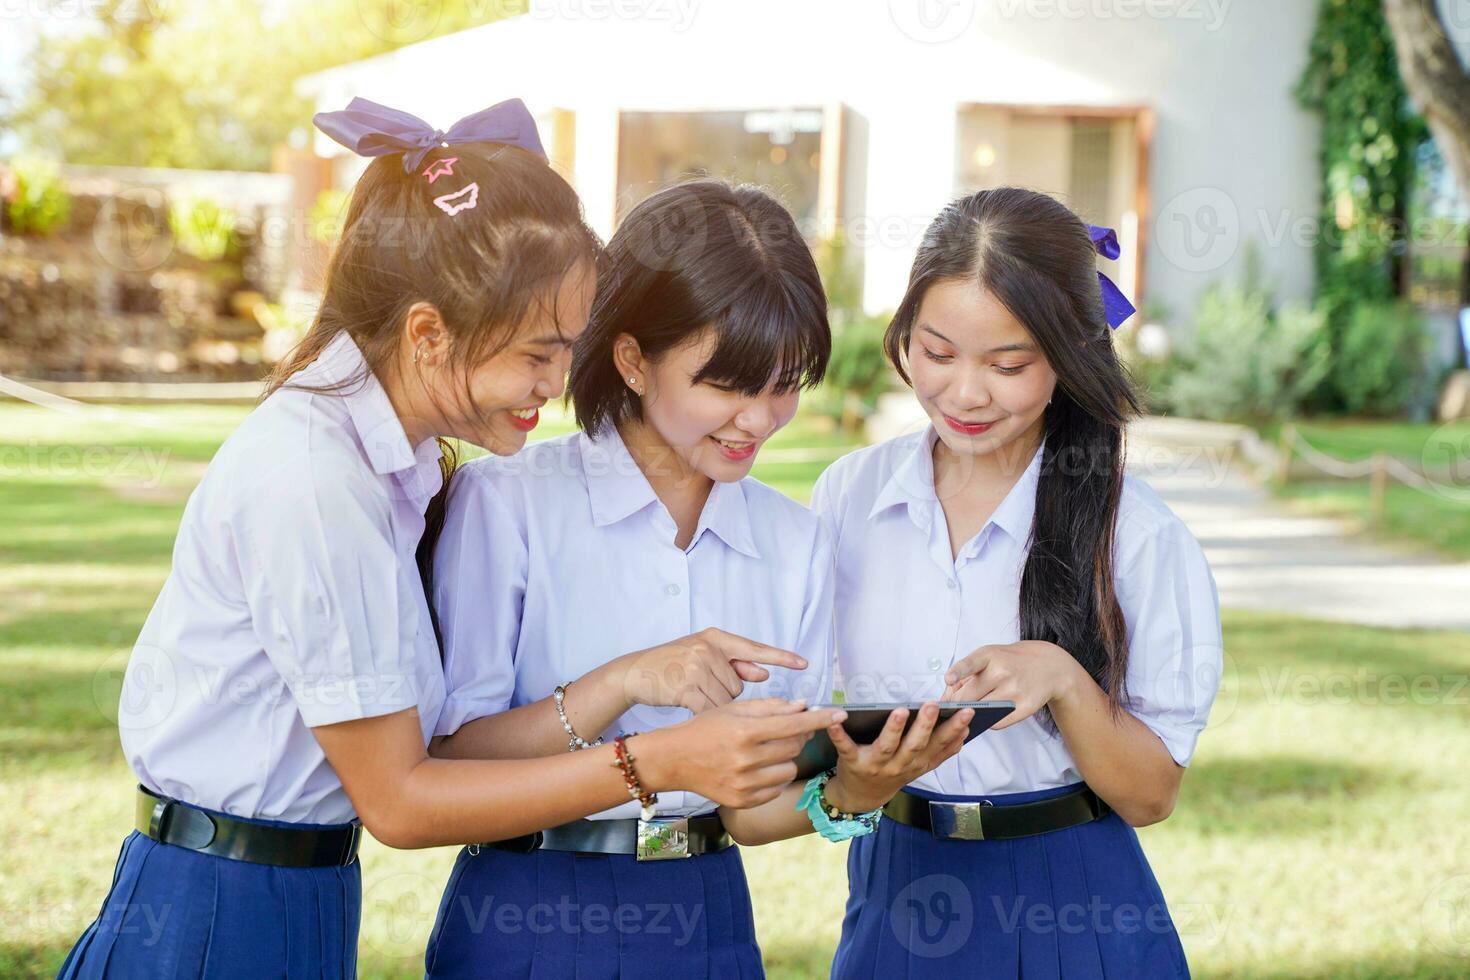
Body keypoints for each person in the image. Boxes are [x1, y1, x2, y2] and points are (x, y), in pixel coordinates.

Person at [55, 99, 843, 980]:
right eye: (539, 354)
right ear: (429, 333)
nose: (556, 384)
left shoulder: (399, 463)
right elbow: (403, 797)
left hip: (289, 891)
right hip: (219, 906)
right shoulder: (322, 481)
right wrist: (652, 751)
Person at [421, 180, 973, 979]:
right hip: (528, 910)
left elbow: (755, 814)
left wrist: (857, 787)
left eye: (784, 385)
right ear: (633, 359)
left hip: (709, 917)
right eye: (728, 385)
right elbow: (451, 758)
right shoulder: (508, 505)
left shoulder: (794, 543)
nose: (759, 419)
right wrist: (627, 681)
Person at [813, 187, 1224, 978]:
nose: (965, 394)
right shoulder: (848, 497)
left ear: (1070, 360)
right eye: (936, 354)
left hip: (1070, 895)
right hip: (898, 885)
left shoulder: (1135, 534)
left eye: (1007, 365)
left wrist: (1065, 680)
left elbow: (1150, 797)